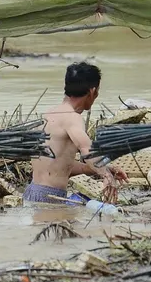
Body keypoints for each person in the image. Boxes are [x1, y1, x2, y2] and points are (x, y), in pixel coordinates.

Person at [25, 62, 127, 205]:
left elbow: (59, 164)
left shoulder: (48, 115)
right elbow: (87, 150)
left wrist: (97, 168)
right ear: (92, 91)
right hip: (50, 197)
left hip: (32, 193)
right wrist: (106, 176)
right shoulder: (73, 118)